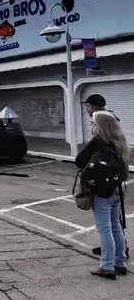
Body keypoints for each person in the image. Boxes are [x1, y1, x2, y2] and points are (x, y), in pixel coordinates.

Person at [75, 111, 129, 280]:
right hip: (115, 189)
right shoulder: (119, 141)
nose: (92, 126)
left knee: (104, 229)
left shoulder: (97, 141)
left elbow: (79, 161)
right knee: (115, 226)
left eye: (94, 123)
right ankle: (120, 263)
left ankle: (106, 266)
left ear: (101, 126)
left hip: (101, 191)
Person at [82, 94, 128, 259]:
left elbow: (81, 160)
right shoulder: (113, 123)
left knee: (107, 226)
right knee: (115, 223)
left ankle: (108, 262)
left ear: (92, 107)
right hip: (117, 178)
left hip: (105, 181)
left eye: (87, 106)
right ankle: (119, 255)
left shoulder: (101, 127)